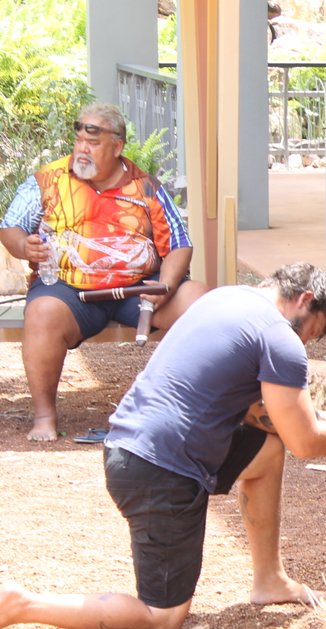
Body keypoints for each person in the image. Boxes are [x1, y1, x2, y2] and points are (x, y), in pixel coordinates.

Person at [0, 262, 326, 629]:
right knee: (163, 617)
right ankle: (21, 603)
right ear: (305, 299)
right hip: (161, 469)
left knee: (267, 451)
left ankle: (269, 580)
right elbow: (305, 442)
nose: (304, 342)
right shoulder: (278, 336)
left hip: (131, 446)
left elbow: (272, 420)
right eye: (311, 331)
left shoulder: (223, 300)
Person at [0, 102, 207, 442]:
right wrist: (24, 247)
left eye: (93, 143)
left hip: (140, 289)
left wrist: (163, 290)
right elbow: (10, 228)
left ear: (117, 146)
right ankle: (44, 416)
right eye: (79, 140)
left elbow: (181, 245)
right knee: (42, 312)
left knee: (198, 299)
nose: (82, 148)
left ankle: (188, 407)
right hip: (69, 289)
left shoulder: (146, 187)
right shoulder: (48, 180)